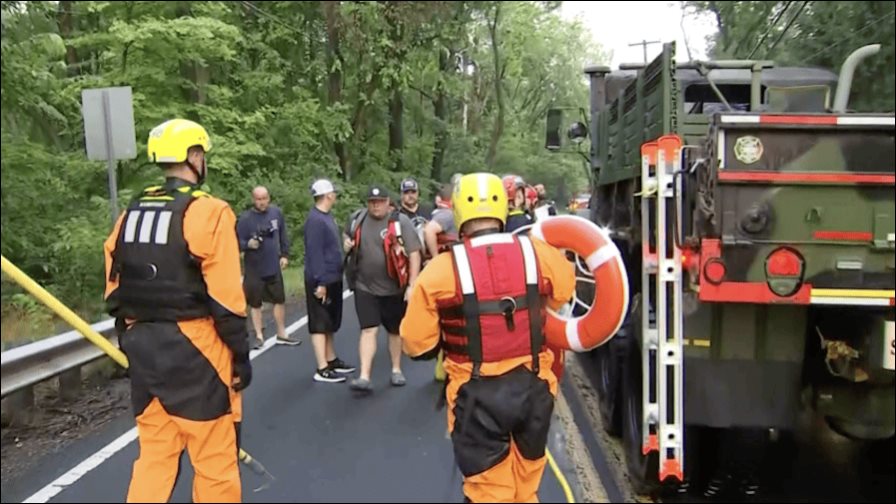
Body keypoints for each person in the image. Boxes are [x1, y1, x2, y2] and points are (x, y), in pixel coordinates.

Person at [400, 172, 576, 503]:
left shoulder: (440, 270)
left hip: (476, 397)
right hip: (534, 389)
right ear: (503, 207)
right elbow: (564, 291)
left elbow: (415, 343)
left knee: (488, 493)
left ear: (458, 212)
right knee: (526, 487)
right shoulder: (537, 253)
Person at [104, 118, 250, 502]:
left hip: (143, 347)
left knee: (155, 456)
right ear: (195, 156)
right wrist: (240, 355)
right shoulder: (210, 212)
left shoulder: (129, 215)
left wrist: (130, 339)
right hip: (196, 347)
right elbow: (226, 300)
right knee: (214, 460)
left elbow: (114, 290)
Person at [343, 185, 423, 393]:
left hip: (394, 287)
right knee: (368, 329)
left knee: (395, 331)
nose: (375, 206)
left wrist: (412, 285)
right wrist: (346, 244)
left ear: (388, 202)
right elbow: (346, 237)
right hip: (364, 285)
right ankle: (364, 376)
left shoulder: (399, 222)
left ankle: (396, 369)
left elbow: (414, 253)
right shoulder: (357, 219)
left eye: (379, 202)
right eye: (371, 202)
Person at [304, 178, 356, 383]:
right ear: (327, 195)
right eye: (333, 193)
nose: (335, 195)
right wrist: (320, 282)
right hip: (321, 278)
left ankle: (331, 358)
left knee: (330, 321)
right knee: (319, 322)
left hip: (333, 276)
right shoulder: (315, 220)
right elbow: (315, 253)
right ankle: (322, 367)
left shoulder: (327, 217)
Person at [237, 186, 299, 347]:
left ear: (269, 198)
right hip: (254, 268)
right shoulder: (245, 219)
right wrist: (248, 244)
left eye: (264, 198)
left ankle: (281, 332)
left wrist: (285, 255)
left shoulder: (276, 213)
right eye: (259, 199)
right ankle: (259, 336)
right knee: (255, 303)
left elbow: (283, 234)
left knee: (279, 299)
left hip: (272, 265)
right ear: (253, 199)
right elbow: (236, 242)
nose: (262, 202)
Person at [423, 183, 459, 260]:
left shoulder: (445, 214)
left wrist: (435, 258)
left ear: (438, 199)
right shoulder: (450, 213)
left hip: (446, 257)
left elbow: (428, 230)